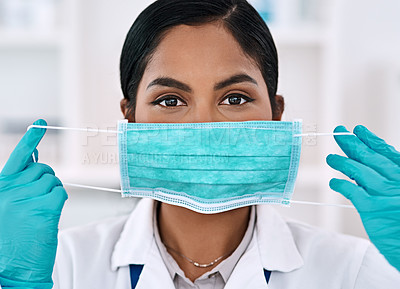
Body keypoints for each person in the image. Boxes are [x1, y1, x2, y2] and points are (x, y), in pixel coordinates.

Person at [0, 0, 399, 288]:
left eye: (235, 98)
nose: (204, 125)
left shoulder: (355, 271)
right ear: (131, 116)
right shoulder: (62, 268)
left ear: (276, 114)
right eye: (170, 101)